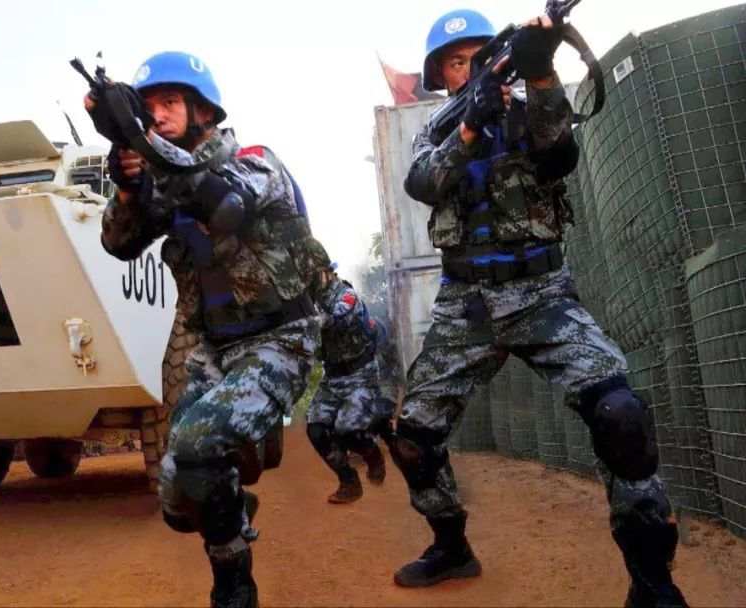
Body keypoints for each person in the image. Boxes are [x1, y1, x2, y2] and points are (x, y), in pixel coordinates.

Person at [389, 9, 688, 607]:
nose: (471, 69)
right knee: (415, 434)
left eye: (481, 56)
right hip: (466, 306)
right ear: (441, 77)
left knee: (621, 416)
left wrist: (542, 70)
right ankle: (451, 546)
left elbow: (559, 155)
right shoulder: (434, 132)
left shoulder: (531, 111)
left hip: (542, 293)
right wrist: (470, 126)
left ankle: (653, 585)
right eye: (457, 62)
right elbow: (423, 182)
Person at [87, 51, 330, 608]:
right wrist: (128, 186)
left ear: (204, 111)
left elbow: (223, 205)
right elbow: (118, 243)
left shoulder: (254, 161)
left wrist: (143, 142)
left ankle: (235, 587)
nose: (158, 115)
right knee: (179, 501)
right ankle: (228, 505)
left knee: (197, 446)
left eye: (170, 102)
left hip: (279, 340)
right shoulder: (161, 182)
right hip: (212, 349)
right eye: (147, 107)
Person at [306, 274, 392, 504]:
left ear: (326, 272)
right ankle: (348, 481)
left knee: (348, 430)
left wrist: (303, 321)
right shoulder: (307, 301)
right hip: (332, 377)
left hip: (360, 373)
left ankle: (372, 454)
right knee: (316, 431)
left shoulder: (346, 295)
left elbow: (337, 319)